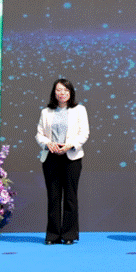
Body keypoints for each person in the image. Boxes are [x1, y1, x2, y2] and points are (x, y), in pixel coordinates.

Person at [35, 78, 89, 245]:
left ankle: (69, 235)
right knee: (53, 197)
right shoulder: (46, 112)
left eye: (66, 90)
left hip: (71, 157)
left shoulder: (79, 110)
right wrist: (47, 143)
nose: (62, 93)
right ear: (54, 92)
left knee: (70, 197)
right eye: (59, 90)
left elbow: (84, 133)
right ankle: (53, 235)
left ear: (71, 92)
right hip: (51, 157)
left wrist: (70, 145)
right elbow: (39, 134)